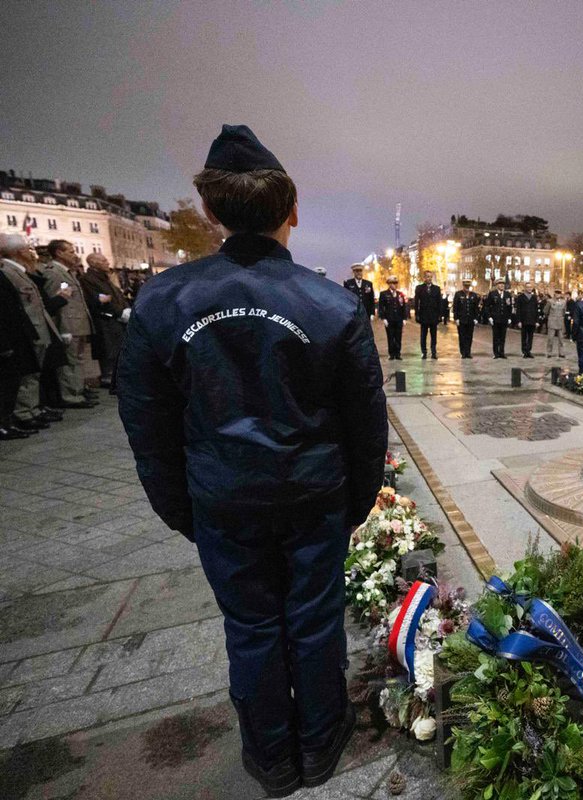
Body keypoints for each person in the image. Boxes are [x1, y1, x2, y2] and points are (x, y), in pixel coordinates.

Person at [117, 125, 386, 796]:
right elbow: (365, 423)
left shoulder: (160, 300)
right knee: (316, 622)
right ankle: (320, 745)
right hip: (312, 494)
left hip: (223, 497)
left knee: (252, 627)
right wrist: (354, 500)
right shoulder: (330, 304)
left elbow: (146, 423)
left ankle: (271, 758)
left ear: (209, 213)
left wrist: (182, 505)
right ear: (291, 212)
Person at [0, 234, 62, 433]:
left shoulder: (20, 271)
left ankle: (33, 409)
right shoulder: (9, 271)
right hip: (25, 331)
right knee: (27, 375)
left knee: (34, 373)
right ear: (18, 252)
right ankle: (24, 412)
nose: (31, 253)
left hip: (36, 328)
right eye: (28, 249)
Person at [42, 240, 97, 409]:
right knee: (70, 363)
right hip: (68, 325)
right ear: (59, 253)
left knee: (77, 360)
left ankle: (78, 390)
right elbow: (56, 302)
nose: (75, 255)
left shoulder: (67, 272)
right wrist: (62, 329)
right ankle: (71, 395)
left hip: (78, 323)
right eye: (71, 252)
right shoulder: (54, 273)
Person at [0, 253, 40, 439]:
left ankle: (7, 422)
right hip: (6, 339)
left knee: (13, 382)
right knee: (7, 383)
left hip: (13, 335)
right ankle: (4, 423)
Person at [79, 253, 131, 388]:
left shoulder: (105, 279)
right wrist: (119, 311)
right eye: (103, 260)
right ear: (94, 263)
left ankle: (116, 375)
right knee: (108, 348)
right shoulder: (89, 279)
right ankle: (108, 376)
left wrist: (125, 309)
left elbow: (116, 296)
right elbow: (100, 299)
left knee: (117, 347)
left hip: (115, 318)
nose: (107, 262)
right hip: (105, 319)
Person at [413, 270, 442, 360]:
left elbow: (439, 302)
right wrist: (417, 314)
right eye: (427, 277)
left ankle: (433, 352)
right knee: (423, 335)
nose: (429, 278)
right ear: (424, 278)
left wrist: (440, 315)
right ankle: (424, 352)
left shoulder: (437, 289)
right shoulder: (419, 288)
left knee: (434, 336)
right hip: (424, 316)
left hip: (433, 316)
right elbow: (416, 302)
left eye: (430, 276)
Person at [377, 276, 407, 360]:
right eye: (392, 283)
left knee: (398, 337)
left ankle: (398, 353)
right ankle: (391, 354)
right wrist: (383, 318)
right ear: (389, 284)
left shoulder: (400, 294)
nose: (394, 285)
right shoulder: (384, 294)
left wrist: (404, 318)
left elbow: (404, 306)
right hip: (389, 319)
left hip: (398, 319)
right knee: (390, 337)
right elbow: (381, 307)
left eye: (395, 283)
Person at [485, 280, 514, 358]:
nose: (502, 285)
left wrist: (509, 317)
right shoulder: (492, 294)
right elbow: (487, 306)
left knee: (502, 337)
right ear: (497, 285)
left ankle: (502, 352)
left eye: (503, 284)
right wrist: (489, 317)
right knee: (496, 337)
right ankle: (496, 353)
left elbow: (509, 306)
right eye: (500, 284)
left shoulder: (507, 294)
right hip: (495, 319)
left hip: (504, 319)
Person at [452, 280, 481, 358]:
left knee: (469, 336)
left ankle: (468, 352)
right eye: (465, 287)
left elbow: (476, 308)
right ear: (463, 286)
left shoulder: (474, 295)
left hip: (470, 319)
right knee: (462, 336)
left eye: (468, 287)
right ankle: (463, 352)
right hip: (461, 319)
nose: (467, 288)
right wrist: (456, 318)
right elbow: (455, 307)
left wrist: (476, 318)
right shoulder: (458, 294)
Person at [514, 282, 540, 358]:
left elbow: (536, 310)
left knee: (531, 337)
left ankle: (529, 351)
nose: (529, 288)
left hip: (532, 320)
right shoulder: (520, 297)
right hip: (523, 320)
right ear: (525, 288)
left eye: (531, 287)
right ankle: (524, 351)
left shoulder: (534, 297)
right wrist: (518, 321)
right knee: (524, 337)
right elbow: (518, 310)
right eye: (528, 287)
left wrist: (537, 321)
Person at [545, 290, 567, 357]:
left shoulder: (564, 302)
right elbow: (546, 311)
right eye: (556, 293)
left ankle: (561, 353)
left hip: (560, 321)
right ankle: (549, 352)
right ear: (554, 293)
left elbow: (564, 311)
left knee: (561, 339)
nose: (558, 294)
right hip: (552, 321)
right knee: (550, 339)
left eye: (559, 293)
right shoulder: (550, 301)